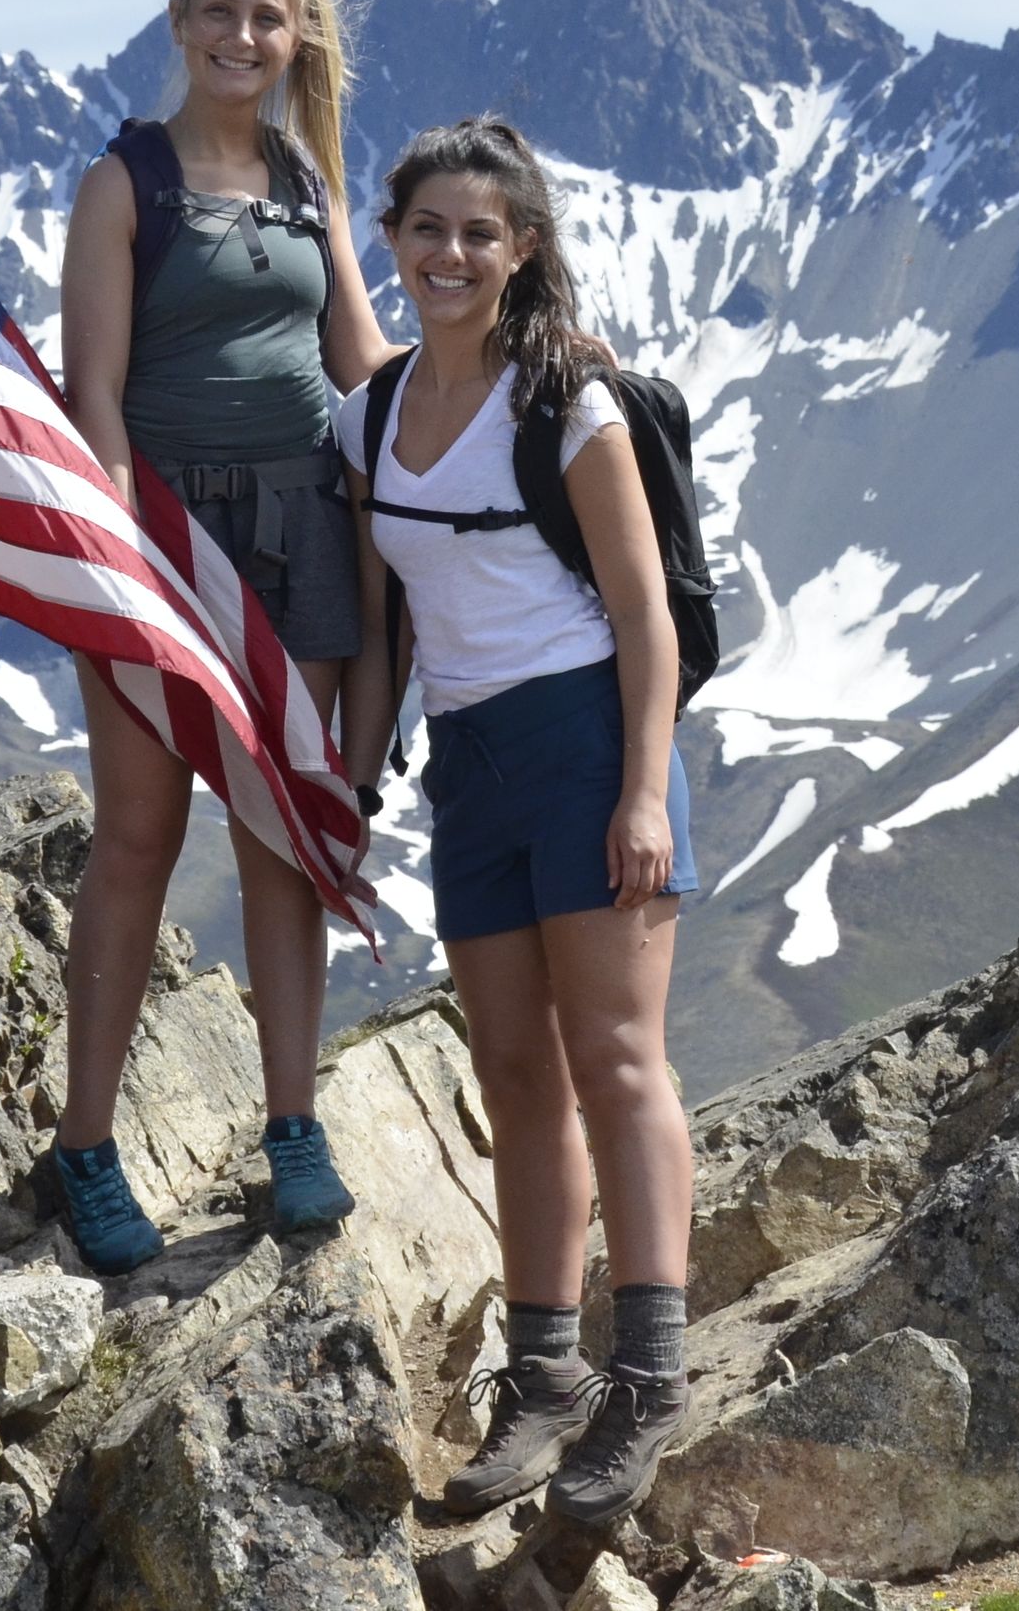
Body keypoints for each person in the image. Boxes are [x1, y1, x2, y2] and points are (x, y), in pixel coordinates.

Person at [336, 117, 700, 1527]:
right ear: (395, 239)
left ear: (521, 253)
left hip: (592, 741)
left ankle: (648, 1380)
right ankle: (543, 1379)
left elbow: (644, 617)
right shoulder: (367, 418)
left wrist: (645, 791)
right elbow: (386, 642)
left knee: (615, 1057)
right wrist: (352, 790)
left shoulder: (570, 407)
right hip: (470, 764)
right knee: (511, 1070)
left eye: (481, 234)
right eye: (428, 229)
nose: (451, 254)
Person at [46, 0, 400, 1274]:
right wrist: (135, 566)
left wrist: (500, 384)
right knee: (138, 836)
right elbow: (94, 401)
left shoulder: (309, 181)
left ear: (296, 32)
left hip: (300, 527)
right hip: (160, 538)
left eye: (269, 16)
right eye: (219, 14)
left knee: (280, 837)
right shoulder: (123, 183)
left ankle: (292, 1132)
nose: (243, 38)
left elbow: (359, 354)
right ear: (180, 24)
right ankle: (85, 1144)